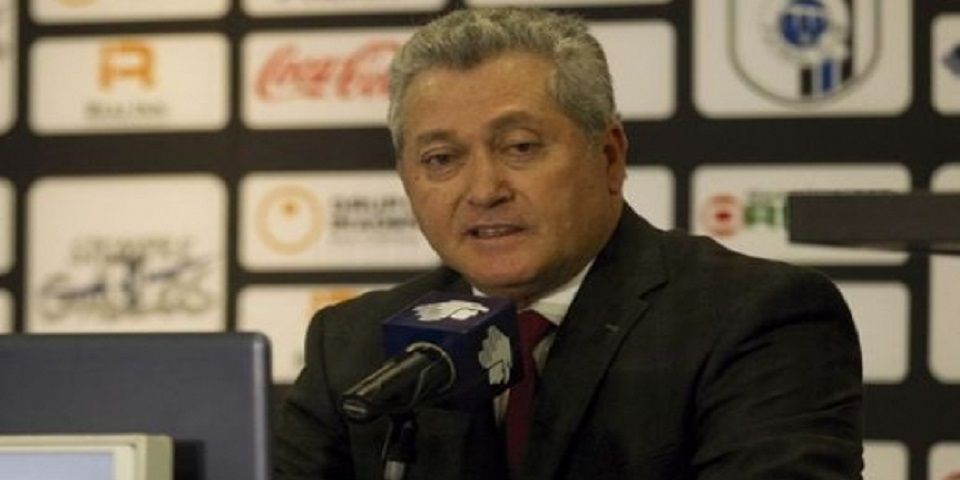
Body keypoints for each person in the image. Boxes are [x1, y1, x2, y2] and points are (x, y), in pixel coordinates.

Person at [274, 7, 863, 480]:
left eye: (520, 147)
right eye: (441, 158)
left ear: (609, 156)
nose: (484, 190)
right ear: (406, 180)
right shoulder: (355, 346)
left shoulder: (756, 319)